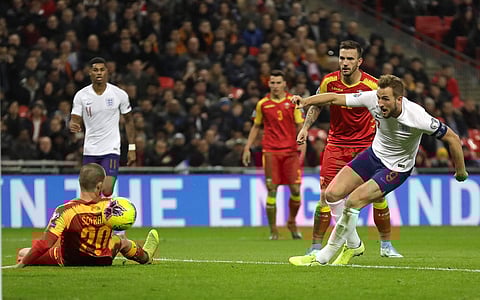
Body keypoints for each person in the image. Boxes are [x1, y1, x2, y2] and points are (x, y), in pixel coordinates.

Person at [289, 74, 468, 266]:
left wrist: (460, 171)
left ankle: (322, 257)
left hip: (396, 167)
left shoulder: (418, 116)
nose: (380, 103)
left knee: (353, 202)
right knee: (331, 194)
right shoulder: (371, 98)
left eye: (386, 99)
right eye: (379, 97)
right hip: (374, 155)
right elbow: (333, 97)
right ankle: (354, 244)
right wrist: (305, 101)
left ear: (399, 99)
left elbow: (453, 138)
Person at [299, 40, 402, 259]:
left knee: (378, 197)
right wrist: (305, 128)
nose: (344, 63)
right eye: (342, 58)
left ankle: (386, 245)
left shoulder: (373, 85)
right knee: (326, 196)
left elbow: (390, 110)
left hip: (366, 146)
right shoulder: (329, 81)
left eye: (350, 59)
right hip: (336, 145)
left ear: (359, 61)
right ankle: (316, 246)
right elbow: (318, 105)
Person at [16, 163, 160, 267]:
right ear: (99, 186)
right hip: (104, 259)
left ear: (80, 183)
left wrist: (22, 265)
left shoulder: (65, 210)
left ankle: (24, 260)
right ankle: (145, 257)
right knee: (121, 240)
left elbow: (45, 243)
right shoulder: (110, 205)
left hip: (71, 261)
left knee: (23, 253)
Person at [242, 69, 305, 240]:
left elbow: (301, 126)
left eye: (278, 82)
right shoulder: (262, 104)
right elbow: (256, 126)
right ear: (268, 84)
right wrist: (247, 147)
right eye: (272, 83)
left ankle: (291, 222)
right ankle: (273, 230)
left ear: (285, 84)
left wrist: (303, 147)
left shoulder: (293, 102)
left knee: (295, 189)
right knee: (272, 190)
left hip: (291, 152)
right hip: (270, 152)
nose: (275, 86)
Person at [69, 57, 136, 198]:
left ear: (107, 72)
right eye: (95, 70)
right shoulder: (81, 96)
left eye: (102, 70)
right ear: (89, 72)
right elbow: (75, 117)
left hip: (111, 149)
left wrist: (132, 148)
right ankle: (98, 217)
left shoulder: (119, 94)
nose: (99, 73)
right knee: (90, 192)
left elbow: (129, 121)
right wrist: (73, 124)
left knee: (106, 190)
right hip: (90, 149)